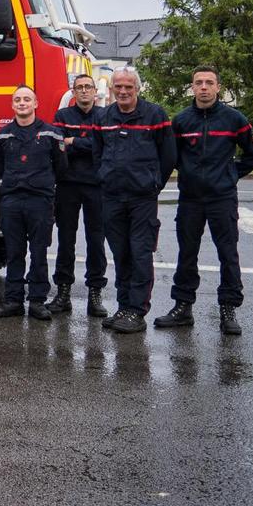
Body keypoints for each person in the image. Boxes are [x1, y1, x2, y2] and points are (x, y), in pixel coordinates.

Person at [154, 65, 253, 335]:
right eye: (199, 82)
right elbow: (171, 156)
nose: (204, 87)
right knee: (186, 253)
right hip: (190, 199)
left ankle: (228, 309)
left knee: (227, 254)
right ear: (192, 87)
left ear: (218, 87)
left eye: (209, 82)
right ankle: (183, 307)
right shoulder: (181, 121)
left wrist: (230, 174)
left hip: (221, 198)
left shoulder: (234, 119)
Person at [92, 67, 176, 334]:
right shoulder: (103, 117)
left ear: (138, 88)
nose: (123, 91)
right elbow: (97, 152)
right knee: (121, 253)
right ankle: (124, 306)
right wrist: (104, 177)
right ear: (112, 89)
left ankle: (137, 311)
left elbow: (168, 155)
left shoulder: (155, 115)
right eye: (118, 86)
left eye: (129, 86)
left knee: (140, 252)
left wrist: (154, 184)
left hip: (142, 198)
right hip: (112, 197)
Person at [0, 86, 68, 319]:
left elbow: (61, 167)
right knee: (14, 252)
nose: (22, 103)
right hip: (12, 201)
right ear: (12, 105)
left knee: (38, 252)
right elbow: (0, 165)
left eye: (27, 99)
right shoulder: (3, 135)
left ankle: (37, 301)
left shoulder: (52, 134)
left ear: (36, 104)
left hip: (40, 201)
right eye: (17, 100)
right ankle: (13, 300)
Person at [47, 73, 109, 318]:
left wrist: (75, 141)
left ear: (95, 91)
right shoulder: (62, 116)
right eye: (79, 87)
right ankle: (63, 292)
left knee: (96, 240)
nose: (84, 91)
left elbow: (104, 146)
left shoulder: (105, 115)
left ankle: (95, 293)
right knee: (65, 240)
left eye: (88, 87)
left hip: (96, 185)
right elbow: (59, 146)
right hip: (67, 185)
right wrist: (84, 144)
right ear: (73, 92)